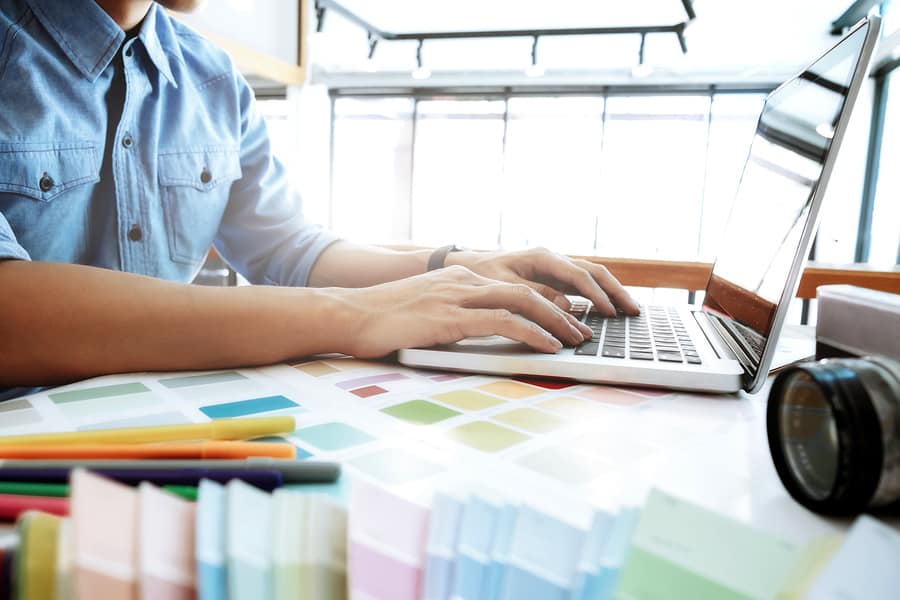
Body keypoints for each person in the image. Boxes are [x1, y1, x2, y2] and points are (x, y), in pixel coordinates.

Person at [0, 0, 639, 401]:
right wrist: (356, 314)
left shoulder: (214, 79)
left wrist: (457, 267)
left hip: (155, 421)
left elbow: (289, 248)